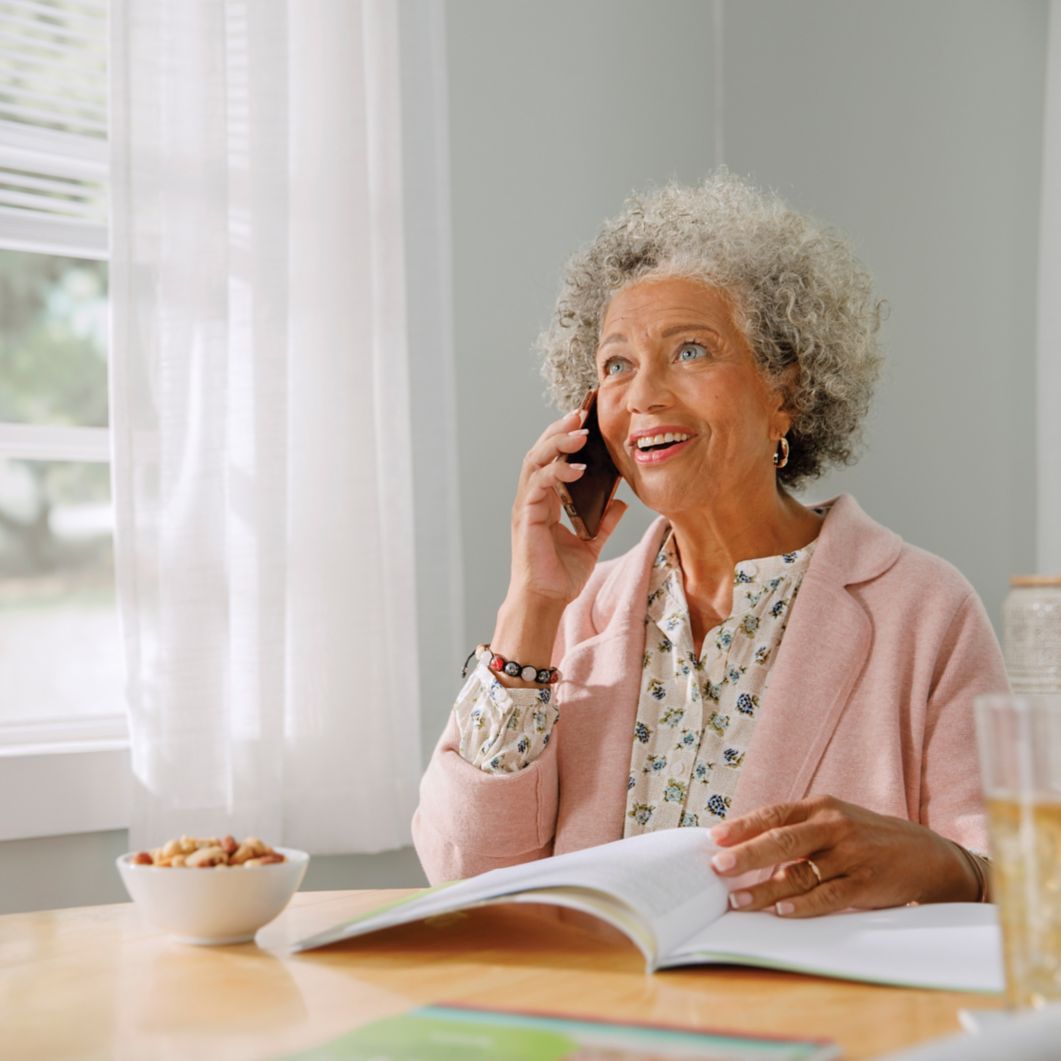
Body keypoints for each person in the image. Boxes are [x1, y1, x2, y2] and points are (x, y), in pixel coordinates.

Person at [412, 172, 1007, 916]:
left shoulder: (922, 609)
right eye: (615, 364)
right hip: (602, 1024)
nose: (643, 395)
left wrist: (946, 866)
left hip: (816, 1026)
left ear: (783, 393)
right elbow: (466, 874)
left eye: (690, 350)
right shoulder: (574, 618)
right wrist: (529, 606)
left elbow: (1021, 877)